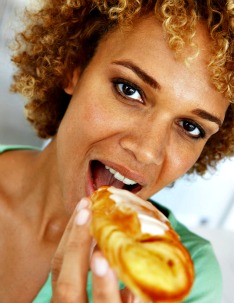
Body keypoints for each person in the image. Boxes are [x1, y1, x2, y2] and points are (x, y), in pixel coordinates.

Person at [0, 0, 233, 302]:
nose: (148, 151)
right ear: (74, 67)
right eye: (129, 89)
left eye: (190, 127)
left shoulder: (186, 280)